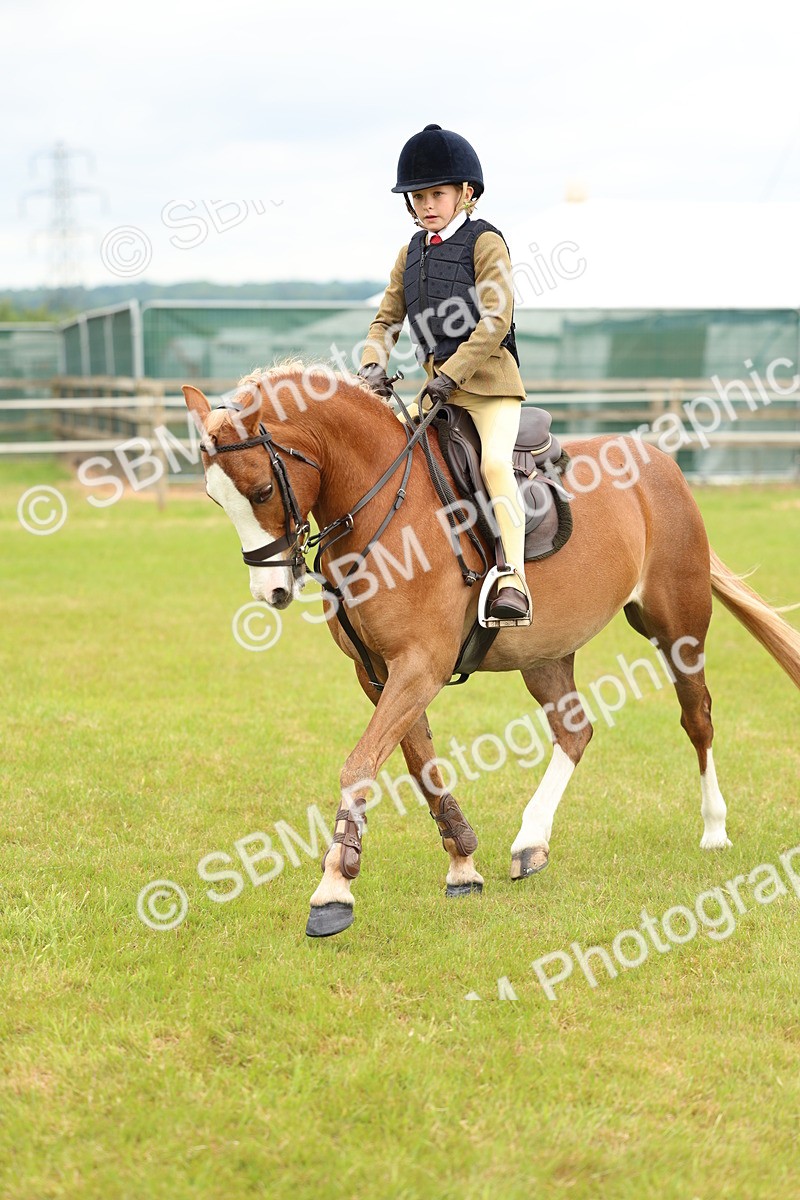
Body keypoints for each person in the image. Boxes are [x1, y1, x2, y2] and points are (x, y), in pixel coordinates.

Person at [358, 123, 532, 624]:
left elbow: (496, 320)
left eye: (437, 194)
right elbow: (386, 319)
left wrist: (451, 375)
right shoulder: (409, 253)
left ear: (466, 193)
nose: (426, 204)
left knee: (496, 466)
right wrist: (373, 365)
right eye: (418, 197)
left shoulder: (486, 243)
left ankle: (513, 579)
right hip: (438, 393)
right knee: (392, 463)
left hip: (489, 389)